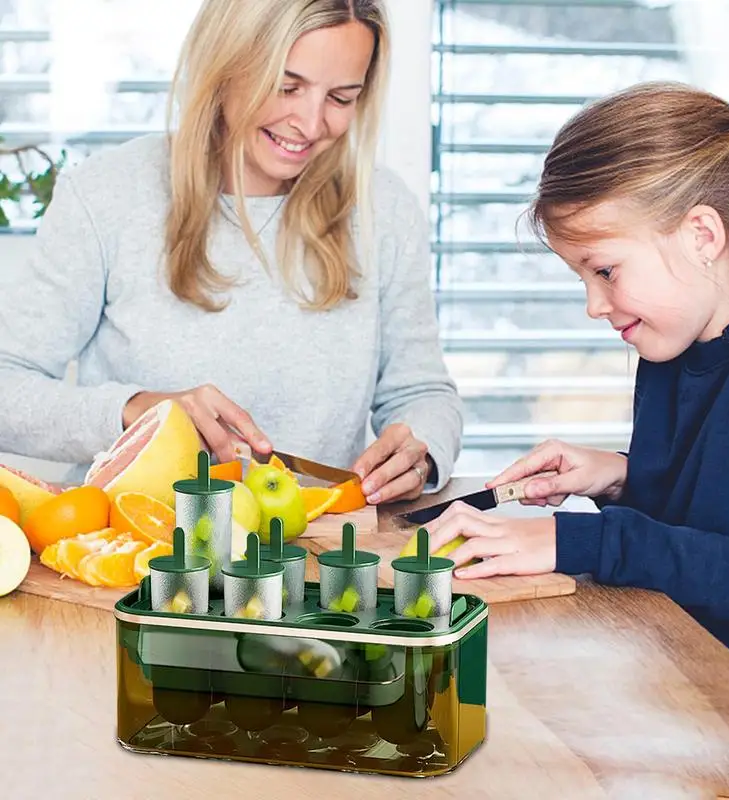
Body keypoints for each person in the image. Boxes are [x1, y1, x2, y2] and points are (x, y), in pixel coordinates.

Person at [425, 77, 729, 715]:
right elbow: (717, 522)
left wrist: (582, 542)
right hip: (686, 697)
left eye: (604, 271)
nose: (594, 306)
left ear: (703, 235)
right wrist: (618, 479)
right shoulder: (671, 344)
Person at [0, 0, 463, 506]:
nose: (310, 124)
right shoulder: (105, 195)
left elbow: (422, 392)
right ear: (227, 66)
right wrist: (134, 410)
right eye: (287, 87)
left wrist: (420, 448)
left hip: (314, 549)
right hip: (138, 549)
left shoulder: (383, 208)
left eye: (340, 97)